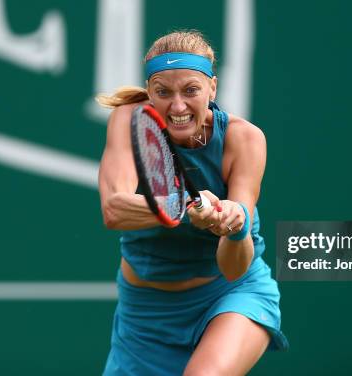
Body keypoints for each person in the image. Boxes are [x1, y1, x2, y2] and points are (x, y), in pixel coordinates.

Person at [97, 30, 288, 376]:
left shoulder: (244, 139)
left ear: (212, 88)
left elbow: (234, 267)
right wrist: (188, 208)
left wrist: (233, 225)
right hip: (145, 314)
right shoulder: (129, 119)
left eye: (191, 90)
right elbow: (114, 210)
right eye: (163, 92)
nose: (178, 105)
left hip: (229, 295)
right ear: (149, 91)